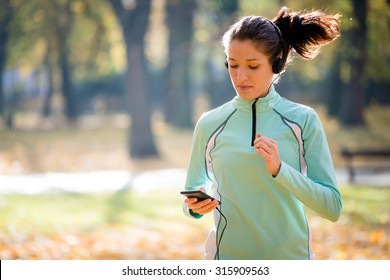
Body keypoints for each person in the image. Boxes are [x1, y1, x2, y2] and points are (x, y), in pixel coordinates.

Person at [182, 6, 342, 260]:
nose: (240, 76)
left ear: (276, 63)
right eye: (232, 65)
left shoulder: (303, 120)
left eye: (252, 66)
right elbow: (192, 191)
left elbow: (332, 207)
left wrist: (281, 169)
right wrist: (194, 207)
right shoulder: (209, 123)